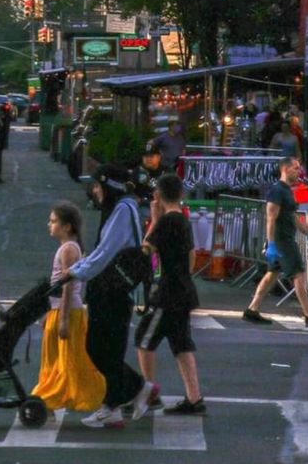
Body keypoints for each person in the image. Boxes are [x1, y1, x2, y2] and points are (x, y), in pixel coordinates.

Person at [67, 164, 156, 430]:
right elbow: (100, 251)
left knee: (100, 347)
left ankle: (140, 388)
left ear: (109, 186)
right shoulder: (119, 208)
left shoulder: (122, 210)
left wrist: (76, 271)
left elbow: (106, 252)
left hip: (112, 291)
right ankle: (113, 408)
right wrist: (80, 270)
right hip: (108, 289)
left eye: (96, 186)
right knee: (106, 348)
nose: (94, 191)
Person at [135, 174, 205, 415]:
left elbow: (146, 249)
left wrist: (154, 219)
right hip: (184, 291)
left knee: (144, 339)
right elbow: (192, 255)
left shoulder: (166, 223)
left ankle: (149, 393)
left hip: (167, 294)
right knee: (181, 345)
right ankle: (194, 398)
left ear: (158, 196)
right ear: (181, 194)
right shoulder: (183, 221)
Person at [31, 202, 106, 413]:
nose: (49, 224)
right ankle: (49, 398)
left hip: (67, 311)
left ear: (67, 226)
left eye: (54, 221)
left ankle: (48, 398)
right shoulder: (68, 247)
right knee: (55, 361)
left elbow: (67, 285)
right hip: (59, 310)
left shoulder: (69, 249)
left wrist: (62, 319)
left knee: (66, 361)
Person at [242, 157, 308, 327]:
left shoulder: (287, 190)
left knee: (272, 274)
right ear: (285, 169)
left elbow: (292, 214)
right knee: (298, 272)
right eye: (296, 168)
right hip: (282, 241)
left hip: (284, 239)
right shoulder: (277, 190)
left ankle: (252, 310)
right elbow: (270, 218)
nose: (299, 171)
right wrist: (271, 244)